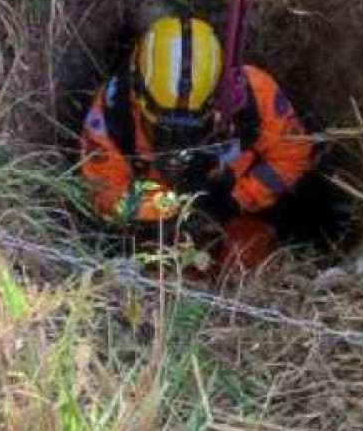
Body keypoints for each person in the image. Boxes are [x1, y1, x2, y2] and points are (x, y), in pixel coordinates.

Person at [80, 15, 319, 275]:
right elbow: (106, 194)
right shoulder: (113, 115)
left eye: (193, 128)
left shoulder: (255, 97)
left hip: (234, 209)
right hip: (158, 223)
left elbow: (293, 155)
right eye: (163, 128)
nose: (179, 141)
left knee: (245, 251)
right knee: (159, 269)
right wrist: (170, 203)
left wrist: (236, 198)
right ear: (138, 91)